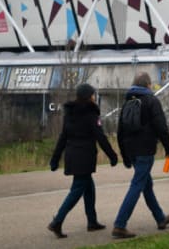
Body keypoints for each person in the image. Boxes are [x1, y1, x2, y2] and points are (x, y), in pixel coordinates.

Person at [48, 83, 118, 239]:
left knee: (89, 188)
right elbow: (100, 137)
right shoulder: (91, 114)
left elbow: (63, 138)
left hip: (72, 157)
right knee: (77, 190)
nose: (95, 97)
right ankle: (57, 221)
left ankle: (92, 222)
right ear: (88, 96)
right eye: (93, 94)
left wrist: (55, 159)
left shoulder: (70, 114)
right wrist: (112, 155)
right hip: (84, 158)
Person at [112, 72, 169, 239]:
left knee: (146, 185)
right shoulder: (151, 101)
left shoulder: (127, 102)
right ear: (148, 84)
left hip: (132, 151)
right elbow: (161, 127)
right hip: (145, 150)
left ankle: (160, 218)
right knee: (137, 185)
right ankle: (120, 224)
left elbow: (120, 131)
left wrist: (125, 154)